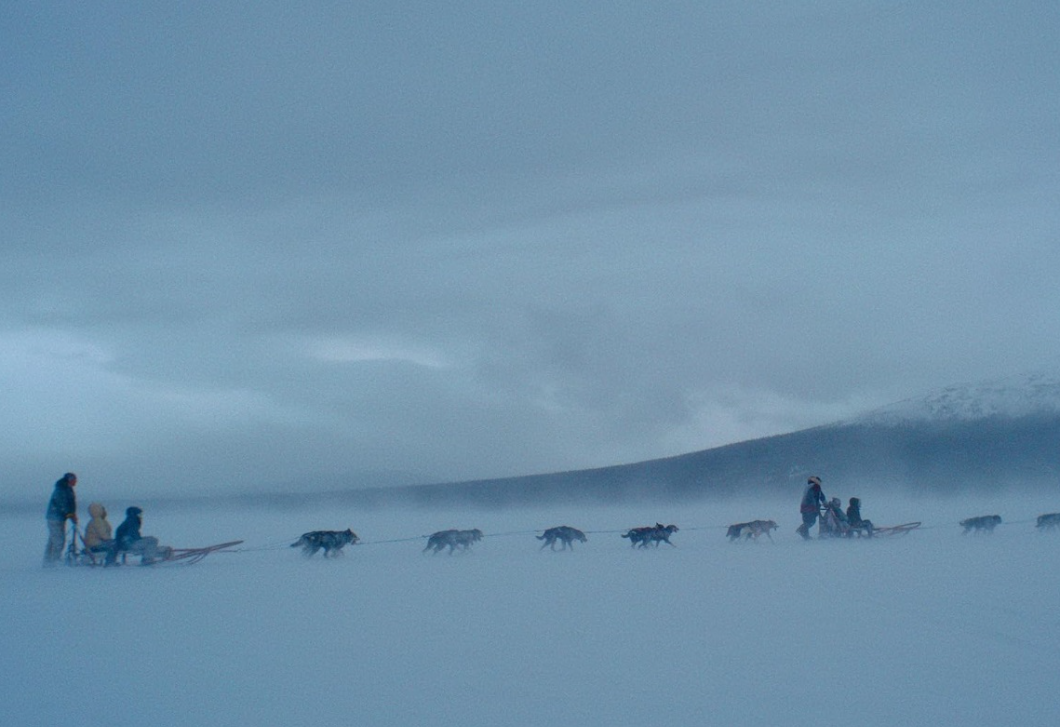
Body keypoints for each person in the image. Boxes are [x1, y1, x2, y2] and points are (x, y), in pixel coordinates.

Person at [106, 506, 171, 566]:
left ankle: (149, 556)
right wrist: (139, 539)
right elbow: (132, 534)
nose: (140, 516)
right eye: (139, 514)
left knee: (150, 539)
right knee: (153, 540)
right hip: (129, 544)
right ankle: (147, 559)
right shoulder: (132, 521)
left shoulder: (129, 521)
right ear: (134, 514)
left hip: (126, 543)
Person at [44, 472, 78, 566]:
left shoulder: (68, 489)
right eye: (74, 480)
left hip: (59, 518)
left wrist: (72, 514)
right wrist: (70, 514)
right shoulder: (61, 490)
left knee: (53, 540)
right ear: (69, 480)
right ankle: (54, 562)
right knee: (59, 541)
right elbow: (62, 505)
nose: (75, 482)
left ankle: (47, 561)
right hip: (55, 518)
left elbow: (71, 504)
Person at [796, 475, 826, 540]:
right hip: (811, 507)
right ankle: (801, 530)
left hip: (803, 507)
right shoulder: (816, 487)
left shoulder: (807, 487)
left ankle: (806, 535)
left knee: (806, 520)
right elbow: (820, 496)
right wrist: (823, 504)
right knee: (811, 521)